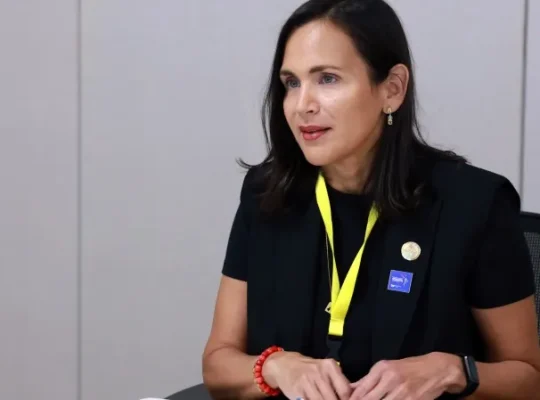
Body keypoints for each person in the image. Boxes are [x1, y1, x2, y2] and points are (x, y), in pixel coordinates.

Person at [201, 0, 540, 399]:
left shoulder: (474, 204)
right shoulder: (267, 193)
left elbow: (530, 380)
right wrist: (275, 366)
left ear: (392, 89)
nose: (302, 105)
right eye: (291, 83)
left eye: (327, 79)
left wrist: (453, 371)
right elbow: (218, 365)